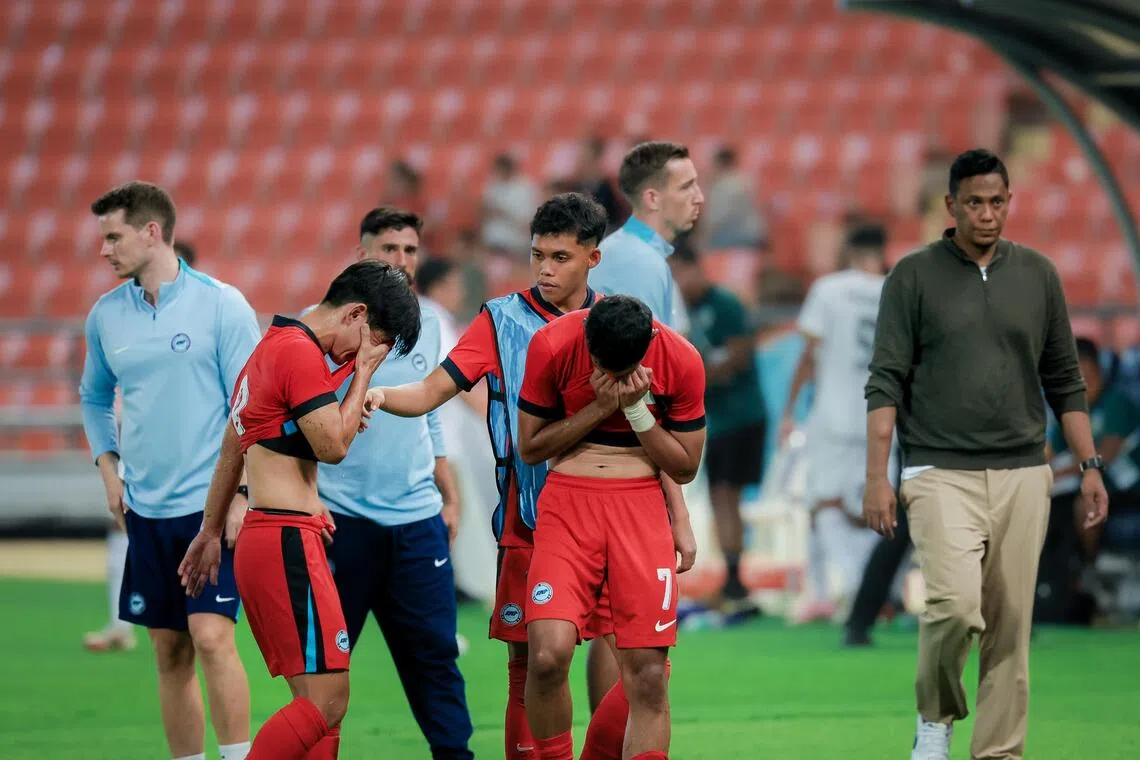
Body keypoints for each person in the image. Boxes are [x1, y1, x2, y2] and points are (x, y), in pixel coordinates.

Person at [364, 193, 632, 760]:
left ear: (593, 259)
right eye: (538, 256)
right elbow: (435, 390)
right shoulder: (501, 318)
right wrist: (376, 393)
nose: (546, 269)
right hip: (527, 515)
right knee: (530, 660)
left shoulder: (614, 321)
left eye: (561, 257)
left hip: (606, 514)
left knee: (619, 650)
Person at [863, 149, 1109, 760]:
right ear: (950, 206)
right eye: (974, 202)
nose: (987, 214)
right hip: (938, 470)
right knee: (954, 606)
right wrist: (877, 477)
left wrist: (1089, 465)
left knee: (1009, 629)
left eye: (997, 201)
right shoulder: (913, 276)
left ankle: (998, 752)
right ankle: (936, 718)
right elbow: (884, 380)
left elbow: (1065, 380)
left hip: (1026, 471)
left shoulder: (1039, 275)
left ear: (1009, 202)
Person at [179, 259, 421, 760]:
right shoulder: (298, 353)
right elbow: (333, 446)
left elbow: (232, 448)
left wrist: (208, 531)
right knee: (329, 702)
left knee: (318, 706)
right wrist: (363, 375)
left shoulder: (270, 349)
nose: (366, 353)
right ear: (356, 314)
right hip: (286, 541)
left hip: (277, 537)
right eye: (373, 340)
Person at [79, 181, 260, 760]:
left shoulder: (221, 304)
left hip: (209, 507)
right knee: (169, 652)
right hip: (146, 513)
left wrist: (242, 494)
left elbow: (253, 405)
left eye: (113, 236)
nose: (104, 249)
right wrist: (109, 470)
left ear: (151, 231)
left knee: (211, 638)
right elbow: (93, 398)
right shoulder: (104, 316)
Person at [313, 207, 474, 759]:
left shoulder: (432, 321)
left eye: (410, 250)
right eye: (389, 249)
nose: (401, 260)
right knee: (327, 664)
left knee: (434, 656)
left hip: (415, 520)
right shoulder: (330, 325)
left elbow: (430, 410)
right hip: (341, 520)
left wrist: (447, 488)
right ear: (362, 253)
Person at [517, 295, 705, 760]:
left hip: (640, 508)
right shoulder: (553, 345)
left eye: (627, 370)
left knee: (646, 675)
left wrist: (638, 412)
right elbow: (531, 447)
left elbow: (684, 467)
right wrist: (601, 408)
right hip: (568, 504)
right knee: (545, 656)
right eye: (606, 368)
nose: (618, 381)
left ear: (651, 342)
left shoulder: (682, 359)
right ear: (587, 342)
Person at [584, 139, 704, 712]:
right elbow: (633, 385)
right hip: (626, 464)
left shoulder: (637, 257)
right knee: (620, 618)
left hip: (619, 458)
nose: (699, 198)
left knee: (616, 616)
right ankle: (618, 742)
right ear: (651, 197)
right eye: (687, 187)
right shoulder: (636, 262)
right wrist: (674, 501)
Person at [780, 224, 891, 624]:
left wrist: (790, 411)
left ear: (848, 252)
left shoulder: (828, 289)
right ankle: (883, 594)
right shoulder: (895, 289)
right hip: (882, 416)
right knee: (879, 504)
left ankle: (835, 593)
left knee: (823, 501)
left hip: (833, 414)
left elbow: (809, 354)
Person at [669, 243, 764, 611]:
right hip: (718, 419)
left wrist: (691, 379)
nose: (676, 281)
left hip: (740, 416)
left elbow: (739, 357)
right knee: (721, 498)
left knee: (727, 498)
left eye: (679, 273)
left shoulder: (724, 305)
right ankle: (733, 580)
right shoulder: (682, 310)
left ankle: (736, 581)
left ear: (695, 269)